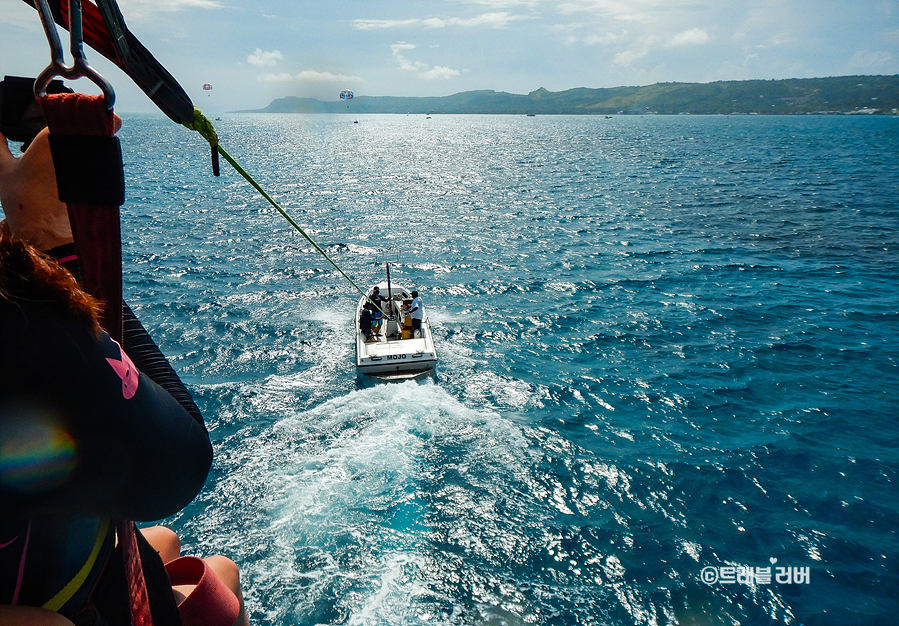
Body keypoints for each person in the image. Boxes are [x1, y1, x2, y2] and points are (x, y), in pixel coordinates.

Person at [1, 122, 249, 626]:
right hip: (74, 599)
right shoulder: (17, 326)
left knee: (170, 542)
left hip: (57, 561)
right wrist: (50, 239)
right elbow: (179, 465)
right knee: (221, 587)